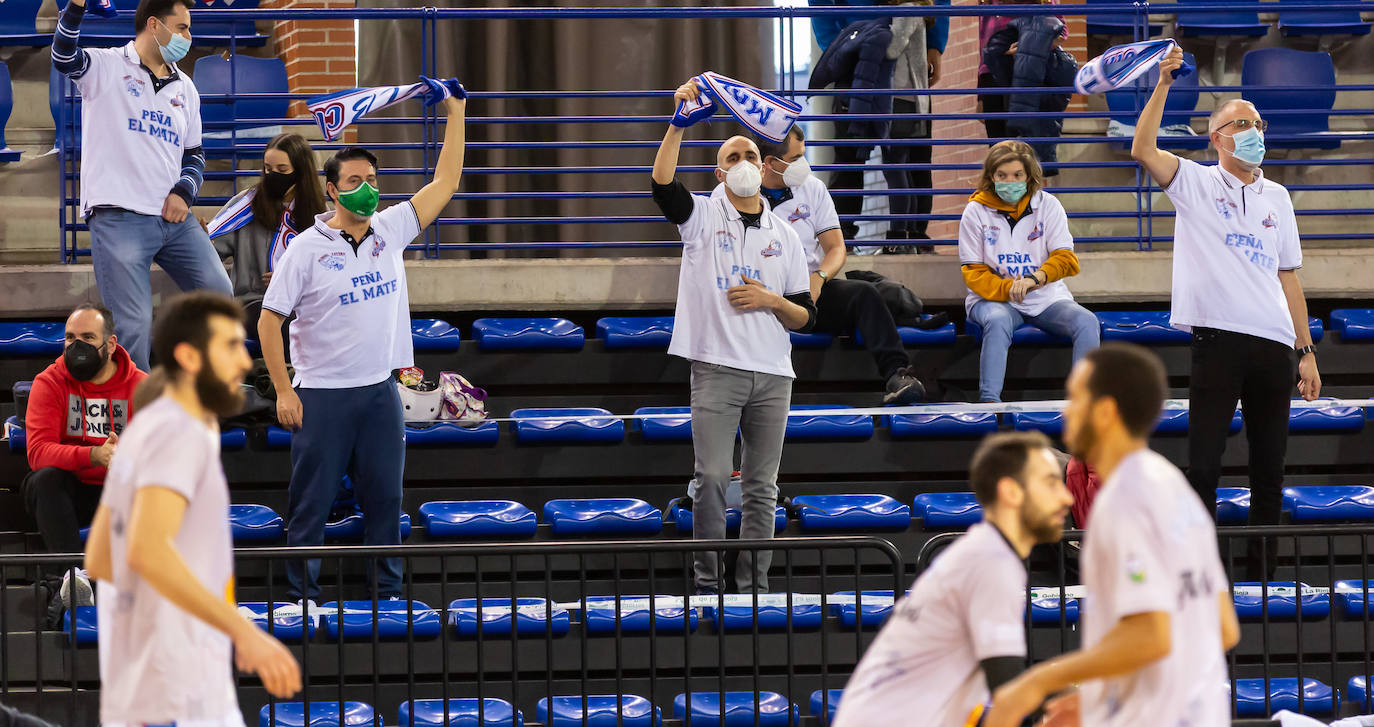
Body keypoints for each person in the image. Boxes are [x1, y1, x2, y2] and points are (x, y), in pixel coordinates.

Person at [259, 91, 467, 604]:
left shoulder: (391, 229)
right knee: (311, 506)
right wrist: (285, 392)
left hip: (379, 395)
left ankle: (387, 603)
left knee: (385, 503)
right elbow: (268, 323)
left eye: (373, 181)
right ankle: (301, 604)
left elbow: (446, 182)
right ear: (331, 190)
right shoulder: (305, 249)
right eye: (354, 182)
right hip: (323, 397)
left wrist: (456, 114)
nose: (367, 190)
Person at [1132, 47, 1320, 581]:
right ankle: (1201, 575)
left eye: (1257, 123)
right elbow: (1142, 147)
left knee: (1269, 467)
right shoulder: (1195, 182)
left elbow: (1288, 276)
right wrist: (1165, 83)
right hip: (1218, 339)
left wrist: (1305, 350)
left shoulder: (1278, 198)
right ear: (1216, 138)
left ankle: (1265, 578)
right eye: (1241, 123)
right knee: (1205, 465)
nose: (1254, 130)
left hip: (1274, 344)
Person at [984, 343, 1241, 727]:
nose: (1065, 410)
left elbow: (1151, 635)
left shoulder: (1124, 500)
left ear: (1104, 412)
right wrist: (1097, 699)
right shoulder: (1173, 487)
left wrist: (1038, 681)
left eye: (1075, 398)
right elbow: (1223, 628)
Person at [82, 291, 300, 725]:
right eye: (232, 346)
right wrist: (243, 633)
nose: (244, 363)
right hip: (179, 687)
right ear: (189, 356)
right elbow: (146, 550)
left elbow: (101, 558)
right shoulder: (180, 430)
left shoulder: (146, 429)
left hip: (145, 684)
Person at [652, 79, 817, 595]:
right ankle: (707, 585)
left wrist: (771, 300)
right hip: (717, 368)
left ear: (764, 166)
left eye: (751, 152)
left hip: (773, 375)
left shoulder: (785, 234)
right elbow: (661, 185)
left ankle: (753, 591)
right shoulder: (702, 216)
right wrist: (678, 126)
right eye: (733, 155)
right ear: (719, 171)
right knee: (713, 481)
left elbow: (805, 315)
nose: (745, 159)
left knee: (763, 490)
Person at [831, 430, 1073, 727]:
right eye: (1051, 483)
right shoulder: (991, 562)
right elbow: (1008, 689)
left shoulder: (979, 552)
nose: (1066, 496)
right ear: (1011, 492)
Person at [51, 0, 234, 371]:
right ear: (154, 24)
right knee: (133, 326)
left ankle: (194, 385)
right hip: (118, 217)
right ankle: (136, 418)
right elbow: (63, 56)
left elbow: (195, 154)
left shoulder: (186, 87)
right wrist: (74, 8)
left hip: (173, 219)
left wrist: (184, 191)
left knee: (220, 297)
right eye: (181, 27)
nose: (188, 36)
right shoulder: (106, 65)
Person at [709, 127, 924, 405]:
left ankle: (897, 376)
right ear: (770, 163)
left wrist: (819, 278)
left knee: (865, 294)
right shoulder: (725, 194)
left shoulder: (812, 188)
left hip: (805, 292)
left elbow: (836, 248)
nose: (803, 164)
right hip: (754, 295)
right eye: (796, 157)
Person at [22, 304, 146, 622]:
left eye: (88, 337)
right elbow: (38, 453)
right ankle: (70, 582)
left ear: (111, 344)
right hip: (71, 493)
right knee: (43, 479)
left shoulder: (142, 387)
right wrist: (93, 455)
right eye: (70, 337)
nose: (77, 346)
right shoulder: (49, 382)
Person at [959, 140, 1098, 403]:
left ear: (1029, 176)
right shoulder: (975, 212)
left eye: (1016, 175)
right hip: (992, 299)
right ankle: (990, 403)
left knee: (1087, 322)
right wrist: (1008, 288)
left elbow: (1065, 258)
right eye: (1002, 175)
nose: (1009, 181)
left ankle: (1084, 402)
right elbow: (973, 272)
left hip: (1046, 298)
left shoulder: (1049, 205)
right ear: (991, 176)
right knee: (998, 320)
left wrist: (1036, 279)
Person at [208, 133, 327, 333]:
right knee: (288, 326)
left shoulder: (319, 214)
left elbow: (330, 270)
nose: (273, 175)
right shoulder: (245, 205)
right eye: (268, 168)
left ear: (300, 172)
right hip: (252, 302)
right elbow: (207, 254)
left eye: (282, 170)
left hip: (303, 303)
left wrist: (294, 280)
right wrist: (203, 243)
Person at [883, 2, 936, 250]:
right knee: (903, 167)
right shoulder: (915, 9)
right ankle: (909, 233)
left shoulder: (906, 8)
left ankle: (898, 235)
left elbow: (893, 48)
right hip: (911, 99)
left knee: (895, 168)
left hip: (902, 98)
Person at [977, 0, 1067, 141]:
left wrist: (1027, 46)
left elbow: (1060, 33)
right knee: (997, 146)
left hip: (1025, 71)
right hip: (992, 74)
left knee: (1025, 144)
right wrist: (981, 93)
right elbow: (983, 39)